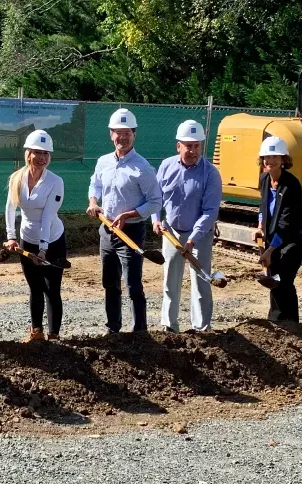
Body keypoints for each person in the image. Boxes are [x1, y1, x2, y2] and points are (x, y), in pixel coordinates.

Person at [86, 108, 162, 335]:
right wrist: (93, 201)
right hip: (107, 230)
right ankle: (113, 328)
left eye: (127, 132)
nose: (122, 137)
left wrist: (129, 215)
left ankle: (139, 332)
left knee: (133, 284)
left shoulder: (143, 168)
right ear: (111, 134)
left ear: (134, 134)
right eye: (118, 132)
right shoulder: (103, 162)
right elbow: (95, 184)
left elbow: (155, 201)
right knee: (110, 282)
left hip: (131, 232)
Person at [152, 120, 222, 332]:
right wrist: (156, 219)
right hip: (171, 232)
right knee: (170, 280)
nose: (192, 151)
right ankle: (169, 325)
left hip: (199, 236)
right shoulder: (166, 166)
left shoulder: (210, 173)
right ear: (178, 146)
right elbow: (156, 197)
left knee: (201, 281)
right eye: (188, 146)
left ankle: (202, 328)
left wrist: (192, 239)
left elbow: (210, 211)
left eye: (196, 146)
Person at [3, 130, 66, 342]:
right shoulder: (17, 178)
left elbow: (48, 216)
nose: (42, 158)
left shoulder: (56, 182)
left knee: (51, 288)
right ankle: (36, 332)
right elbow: (10, 208)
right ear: (28, 153)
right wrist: (11, 236)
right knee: (35, 287)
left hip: (52, 241)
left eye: (46, 153)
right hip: (27, 239)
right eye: (38, 152)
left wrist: (43, 249)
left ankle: (54, 336)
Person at [256, 136, 302, 323]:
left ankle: (288, 322)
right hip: (275, 236)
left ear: (283, 160)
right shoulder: (264, 179)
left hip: (294, 238)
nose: (270, 160)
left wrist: (270, 250)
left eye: (275, 157)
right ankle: (278, 321)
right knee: (274, 278)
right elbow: (263, 206)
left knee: (283, 277)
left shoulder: (291, 185)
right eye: (266, 157)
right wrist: (260, 226)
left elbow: (286, 222)